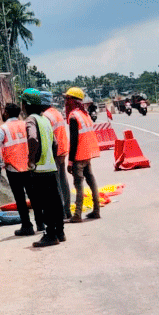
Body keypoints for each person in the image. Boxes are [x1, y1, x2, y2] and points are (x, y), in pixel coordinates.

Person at [20, 89, 65, 247]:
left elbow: (33, 138)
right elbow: (55, 143)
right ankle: (60, 232)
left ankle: (50, 235)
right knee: (55, 201)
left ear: (26, 104)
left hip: (40, 170)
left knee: (45, 203)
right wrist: (50, 158)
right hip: (51, 167)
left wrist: (32, 159)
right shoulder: (45, 119)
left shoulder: (31, 120)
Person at [0, 102, 42, 236]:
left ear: (7, 113)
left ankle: (27, 225)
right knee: (34, 196)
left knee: (20, 198)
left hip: (13, 168)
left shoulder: (3, 129)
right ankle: (40, 223)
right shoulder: (25, 124)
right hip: (29, 166)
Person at [64, 87, 101, 222]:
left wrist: (70, 161)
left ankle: (77, 215)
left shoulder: (74, 117)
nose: (65, 102)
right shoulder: (84, 115)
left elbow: (74, 141)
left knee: (79, 185)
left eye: (67, 99)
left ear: (72, 100)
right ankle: (96, 210)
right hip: (88, 154)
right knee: (91, 182)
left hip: (79, 156)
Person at [42, 92, 72, 219]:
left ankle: (61, 212)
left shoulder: (45, 116)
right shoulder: (56, 112)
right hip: (62, 149)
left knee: (56, 183)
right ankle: (67, 209)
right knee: (63, 180)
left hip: (54, 151)